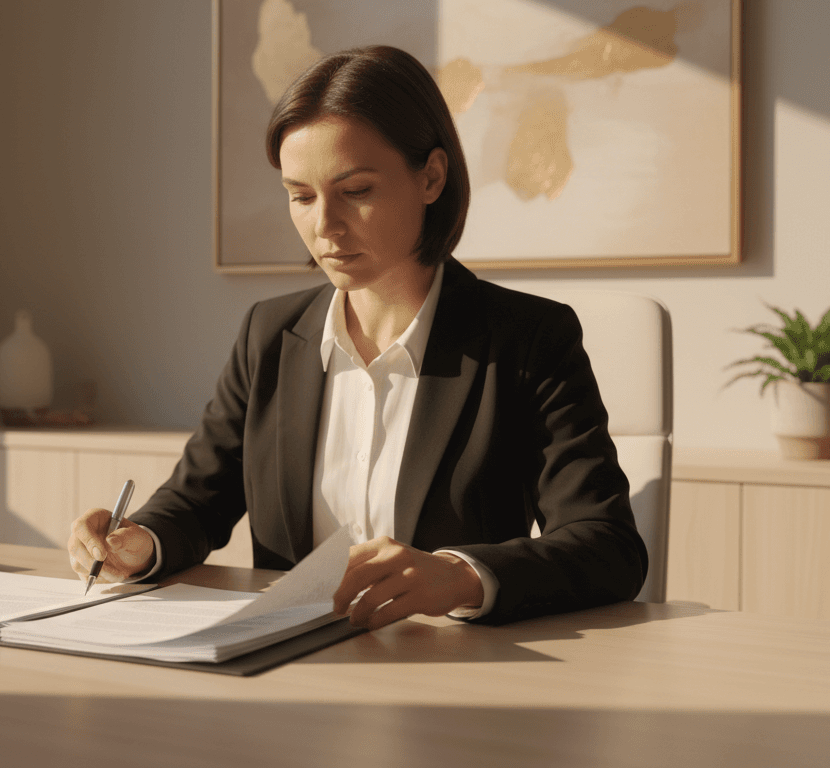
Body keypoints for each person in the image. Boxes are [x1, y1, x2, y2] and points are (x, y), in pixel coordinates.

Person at [67, 45, 647, 627]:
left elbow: (608, 544)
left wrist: (461, 575)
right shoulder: (270, 334)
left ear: (431, 177)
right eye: (301, 196)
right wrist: (139, 541)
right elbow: (196, 501)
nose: (324, 226)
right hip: (284, 661)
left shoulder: (528, 340)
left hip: (454, 664)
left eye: (356, 191)